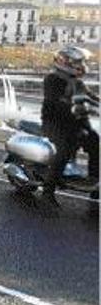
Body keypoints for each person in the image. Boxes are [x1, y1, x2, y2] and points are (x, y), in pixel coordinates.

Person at [40, 46, 99, 206]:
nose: (81, 65)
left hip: (76, 123)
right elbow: (55, 102)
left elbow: (93, 97)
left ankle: (94, 182)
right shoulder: (52, 80)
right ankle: (48, 191)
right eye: (77, 62)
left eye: (82, 62)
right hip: (55, 123)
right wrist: (73, 107)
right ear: (64, 62)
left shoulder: (78, 83)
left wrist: (96, 104)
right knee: (63, 150)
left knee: (95, 142)